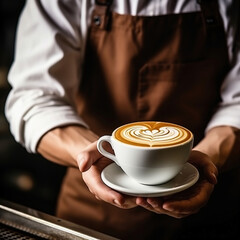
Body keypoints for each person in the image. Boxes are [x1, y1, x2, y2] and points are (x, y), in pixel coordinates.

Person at [5, 0, 240, 239]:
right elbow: (35, 97)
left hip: (211, 211)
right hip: (92, 217)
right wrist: (91, 155)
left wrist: (211, 157)